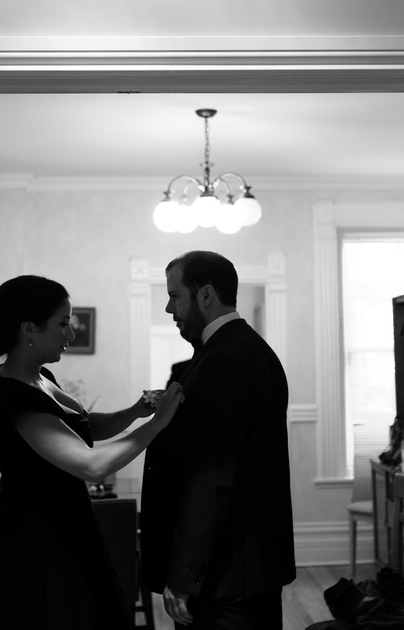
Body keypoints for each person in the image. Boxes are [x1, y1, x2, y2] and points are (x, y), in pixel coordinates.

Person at [0, 275, 184, 630]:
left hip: (66, 525)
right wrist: (157, 425)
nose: (71, 334)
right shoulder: (18, 399)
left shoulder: (40, 378)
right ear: (29, 328)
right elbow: (92, 466)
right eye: (63, 324)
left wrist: (136, 411)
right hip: (37, 542)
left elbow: (84, 426)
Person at [141, 251, 296, 629]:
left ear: (206, 294)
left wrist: (184, 575)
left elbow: (211, 479)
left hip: (224, 578)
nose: (167, 307)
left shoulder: (224, 360)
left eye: (175, 295)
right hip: (243, 571)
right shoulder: (249, 350)